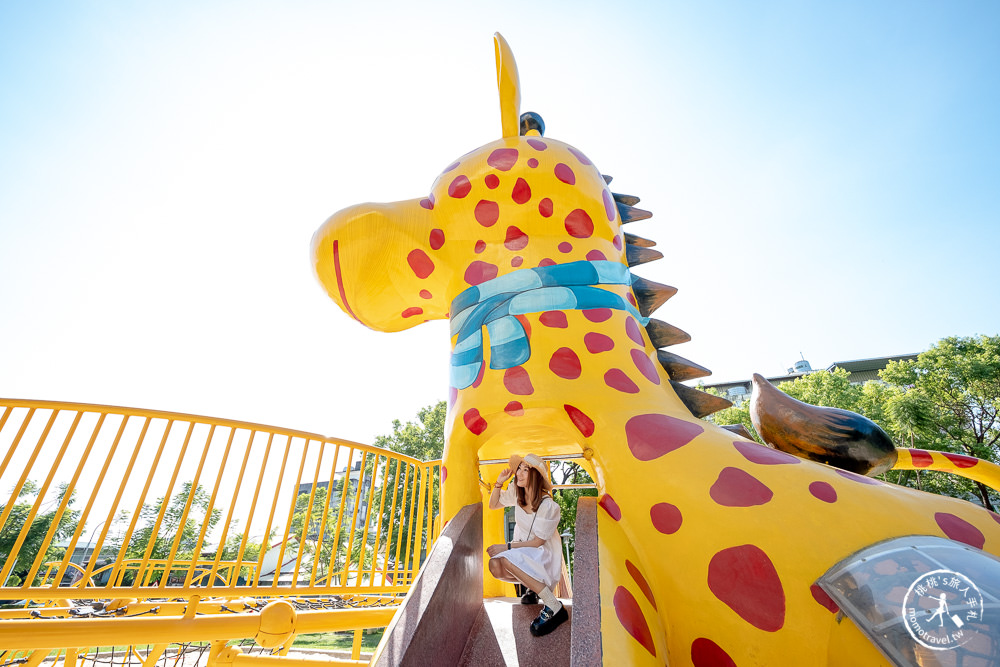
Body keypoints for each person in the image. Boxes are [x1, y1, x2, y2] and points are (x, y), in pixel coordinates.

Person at [487, 452, 569, 636]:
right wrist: (499, 483)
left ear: (536, 476)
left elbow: (538, 542)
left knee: (507, 559)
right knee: (495, 565)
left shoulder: (548, 506)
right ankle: (533, 589)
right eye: (519, 469)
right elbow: (493, 504)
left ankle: (553, 605)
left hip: (543, 554)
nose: (519, 474)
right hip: (524, 551)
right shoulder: (518, 494)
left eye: (526, 470)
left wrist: (506, 547)